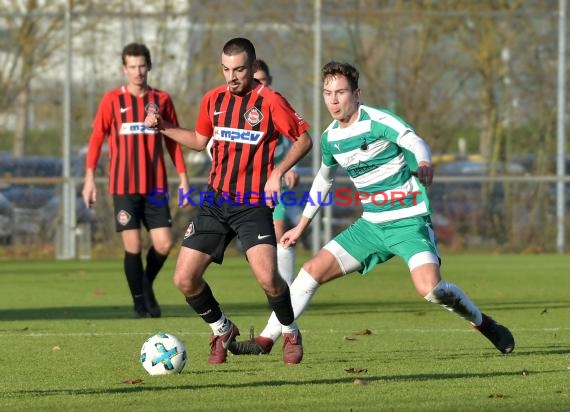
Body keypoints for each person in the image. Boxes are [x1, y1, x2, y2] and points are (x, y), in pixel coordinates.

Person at [229, 61, 515, 360]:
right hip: (371, 226)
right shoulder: (330, 138)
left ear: (357, 93)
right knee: (311, 272)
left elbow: (414, 141)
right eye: (328, 93)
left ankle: (483, 323)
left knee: (431, 290)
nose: (334, 100)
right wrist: (301, 225)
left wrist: (425, 163)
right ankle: (265, 339)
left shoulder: (378, 120)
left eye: (341, 92)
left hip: (408, 221)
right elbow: (324, 181)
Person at [143, 38, 313, 364]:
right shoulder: (213, 100)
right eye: (226, 69)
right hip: (215, 201)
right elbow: (198, 140)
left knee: (268, 278)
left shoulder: (270, 101)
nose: (231, 76)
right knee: (184, 278)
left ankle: (290, 330)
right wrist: (163, 126)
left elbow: (303, 140)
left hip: (252, 205)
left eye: (238, 69)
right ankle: (222, 329)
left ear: (251, 68)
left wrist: (277, 172)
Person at [82, 42, 190, 319]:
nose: (138, 71)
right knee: (133, 247)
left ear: (149, 66)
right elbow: (96, 139)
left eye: (142, 65)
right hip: (123, 187)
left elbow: (174, 140)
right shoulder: (111, 101)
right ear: (124, 69)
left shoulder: (162, 100)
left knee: (164, 244)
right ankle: (140, 304)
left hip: (155, 186)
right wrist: (90, 178)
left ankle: (145, 285)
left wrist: (183, 178)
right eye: (132, 67)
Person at [253, 59, 301, 286]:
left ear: (269, 81)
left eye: (263, 81)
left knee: (282, 235)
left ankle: (287, 295)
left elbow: (297, 140)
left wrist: (291, 168)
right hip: (240, 187)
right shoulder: (237, 108)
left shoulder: (276, 106)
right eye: (255, 81)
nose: (259, 86)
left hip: (272, 184)